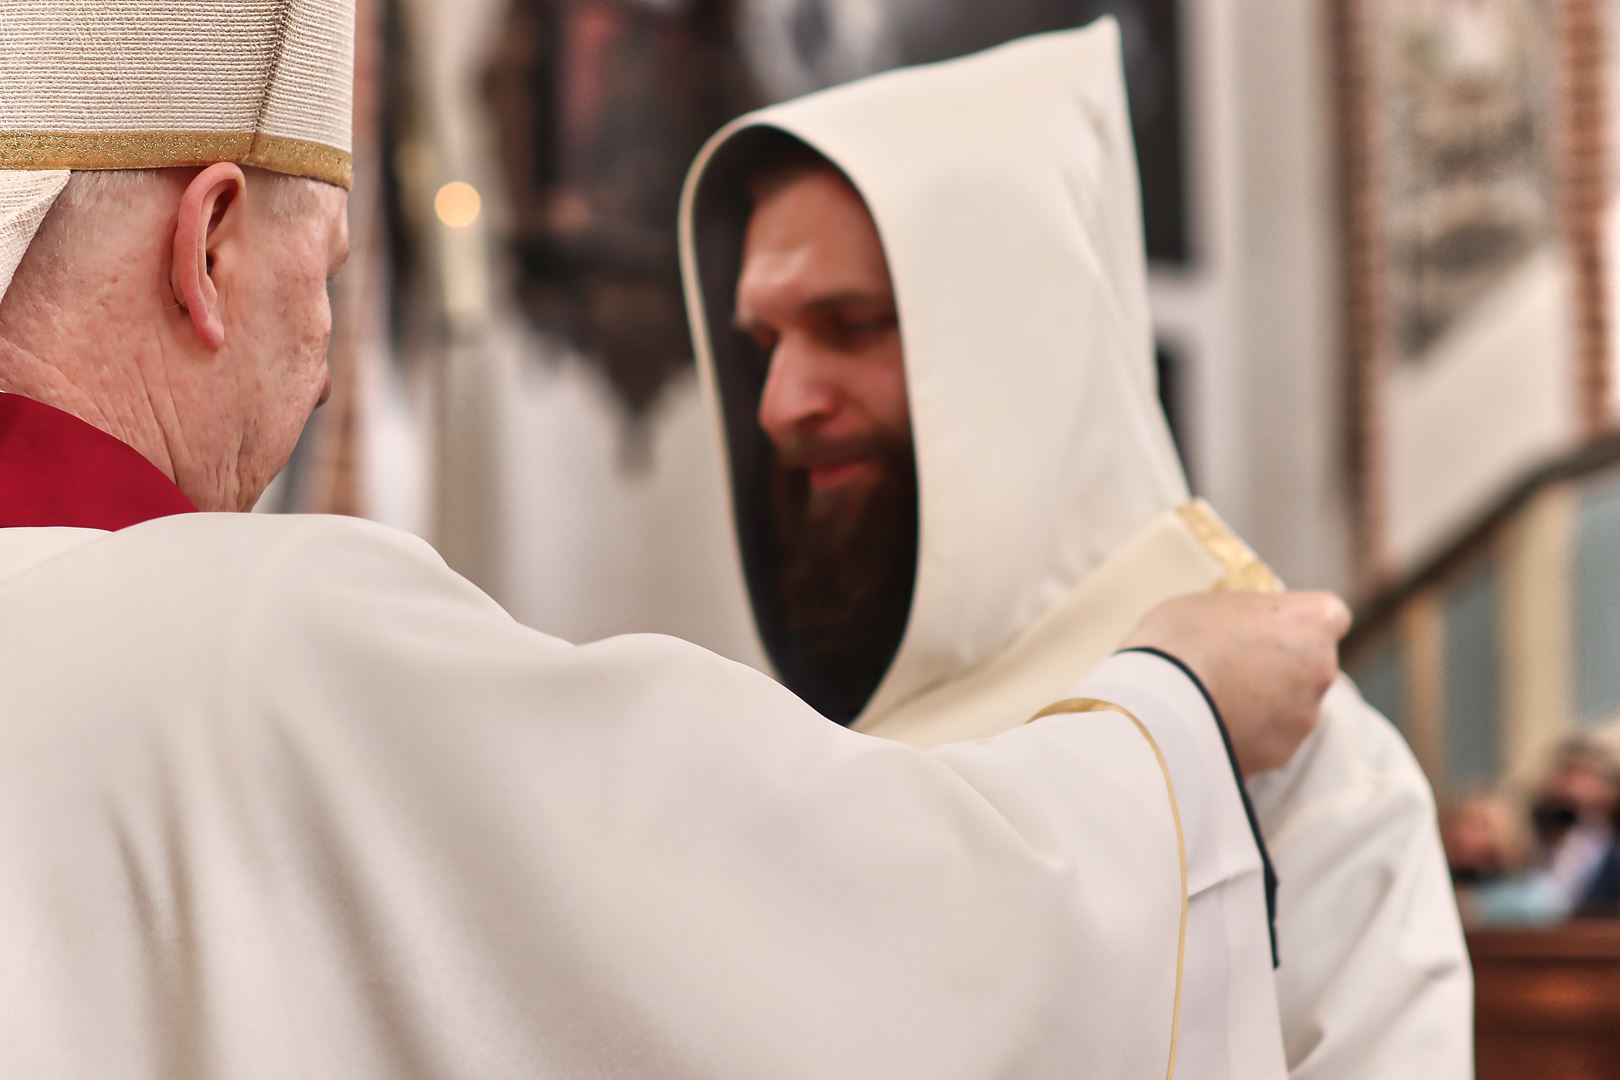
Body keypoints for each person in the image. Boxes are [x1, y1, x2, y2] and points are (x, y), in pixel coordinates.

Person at [0, 3, 1348, 1077]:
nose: (322, 361)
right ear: (212, 245)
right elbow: (879, 952)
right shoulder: (253, 644)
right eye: (331, 273)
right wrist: (1174, 719)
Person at [679, 20, 1473, 1079]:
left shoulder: (1305, 769)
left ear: (1021, 345)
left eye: (851, 324)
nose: (780, 405)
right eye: (764, 344)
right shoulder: (796, 746)